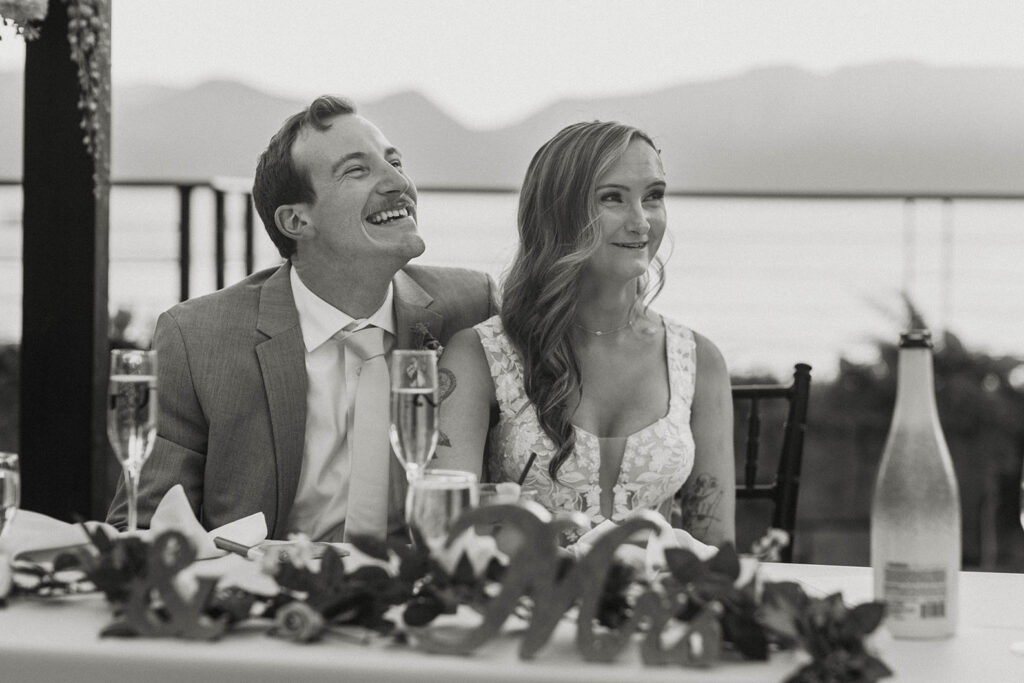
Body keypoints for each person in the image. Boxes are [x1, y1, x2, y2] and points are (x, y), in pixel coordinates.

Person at [106, 95, 497, 541]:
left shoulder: (473, 307)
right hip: (267, 593)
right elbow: (141, 523)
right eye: (357, 170)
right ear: (296, 220)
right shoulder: (197, 338)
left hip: (423, 595)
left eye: (395, 162)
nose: (398, 182)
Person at [434, 121, 735, 547]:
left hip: (651, 607)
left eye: (653, 197)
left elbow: (718, 547)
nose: (641, 222)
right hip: (522, 602)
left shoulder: (697, 359)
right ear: (556, 213)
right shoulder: (480, 355)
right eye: (612, 198)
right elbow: (446, 533)